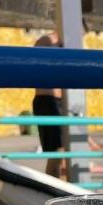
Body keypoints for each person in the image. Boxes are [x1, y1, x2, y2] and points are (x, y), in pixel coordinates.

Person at [32, 32, 66, 178]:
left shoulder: (56, 43)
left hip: (55, 102)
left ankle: (58, 189)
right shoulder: (47, 41)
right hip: (48, 101)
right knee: (57, 153)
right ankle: (55, 192)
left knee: (61, 153)